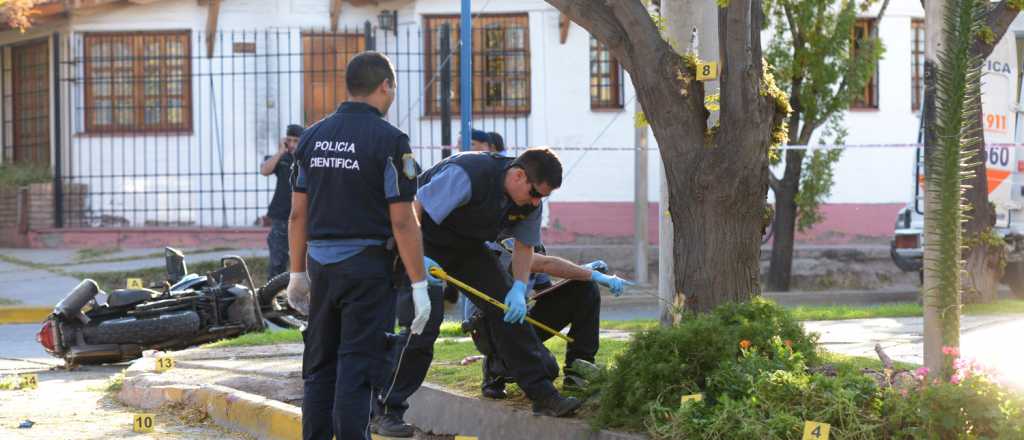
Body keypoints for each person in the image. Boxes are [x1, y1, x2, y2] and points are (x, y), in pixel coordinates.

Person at [284, 51, 435, 440]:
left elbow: (297, 215)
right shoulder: (389, 140)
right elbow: (402, 219)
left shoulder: (313, 137)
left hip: (320, 266)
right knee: (357, 367)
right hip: (368, 270)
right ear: (385, 85)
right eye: (394, 87)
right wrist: (419, 284)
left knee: (319, 365)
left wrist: (297, 274)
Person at [386, 147, 582, 422]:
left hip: (467, 247)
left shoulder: (529, 203)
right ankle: (387, 407)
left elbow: (525, 246)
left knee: (506, 310)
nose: (537, 203)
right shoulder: (468, 173)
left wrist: (518, 288)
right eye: (536, 194)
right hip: (421, 241)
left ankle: (543, 395)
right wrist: (419, 258)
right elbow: (416, 209)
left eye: (544, 197)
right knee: (424, 322)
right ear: (518, 176)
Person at [471, 239, 631, 399]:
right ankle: (495, 366)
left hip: (519, 318)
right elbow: (541, 264)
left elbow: (545, 291)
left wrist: (576, 279)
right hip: (490, 327)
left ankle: (578, 370)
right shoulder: (491, 240)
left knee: (584, 288)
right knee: (546, 368)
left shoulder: (530, 240)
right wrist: (590, 273)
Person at [260, 124, 303, 282]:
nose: (292, 144)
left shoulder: (308, 159)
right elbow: (265, 170)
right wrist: (280, 152)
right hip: (281, 216)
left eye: (296, 141)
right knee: (277, 261)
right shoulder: (281, 158)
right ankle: (272, 296)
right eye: (289, 140)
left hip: (304, 216)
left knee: (305, 261)